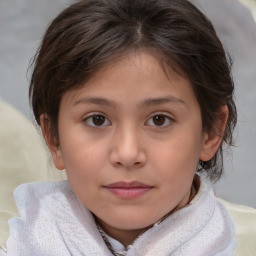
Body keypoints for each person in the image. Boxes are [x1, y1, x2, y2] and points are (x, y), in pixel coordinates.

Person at [5, 0, 239, 255]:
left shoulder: (248, 242)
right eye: (97, 119)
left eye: (159, 119)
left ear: (212, 131)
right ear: (53, 137)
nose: (127, 154)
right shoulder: (13, 242)